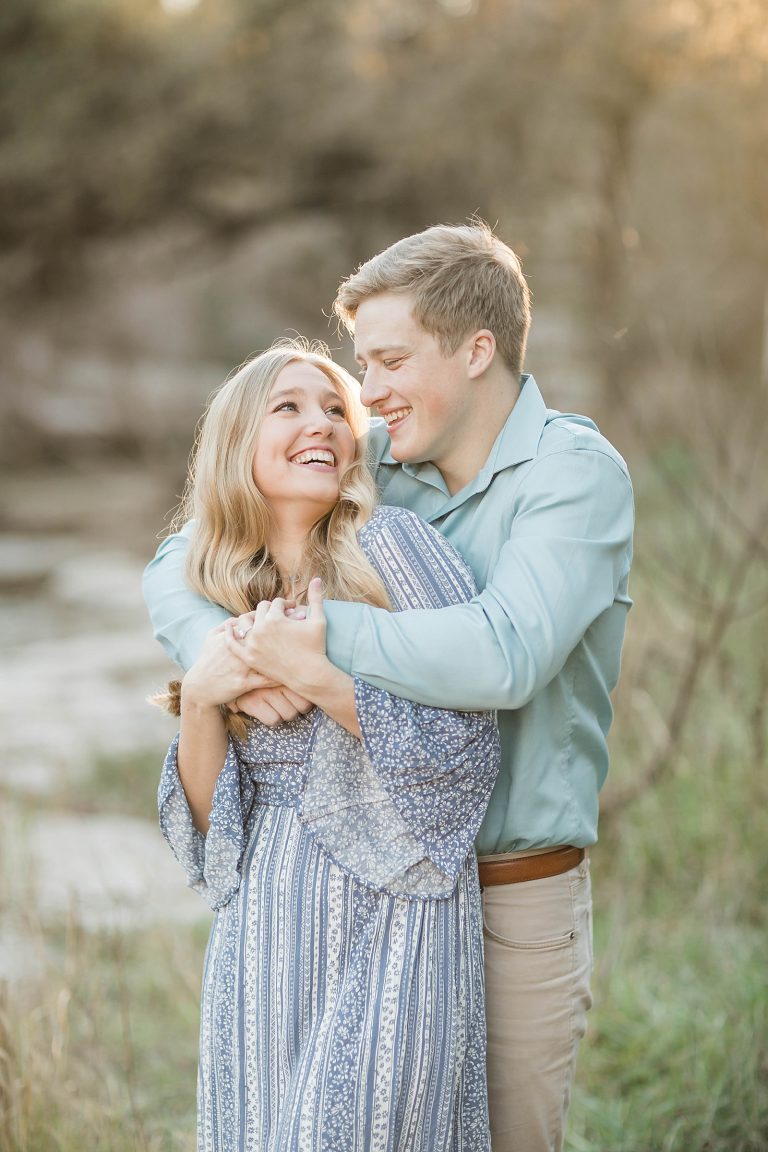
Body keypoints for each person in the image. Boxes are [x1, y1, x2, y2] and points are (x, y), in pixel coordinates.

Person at [144, 222, 635, 1152]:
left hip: (509, 888)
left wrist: (309, 643)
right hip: (351, 896)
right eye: (360, 364)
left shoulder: (573, 476)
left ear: (476, 348)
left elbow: (505, 655)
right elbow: (189, 552)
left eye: (389, 360)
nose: (363, 395)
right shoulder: (385, 467)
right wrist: (229, 658)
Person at [152, 340, 500, 1152]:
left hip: (399, 920)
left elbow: (465, 759)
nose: (325, 425)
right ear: (237, 440)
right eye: (289, 407)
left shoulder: (399, 549)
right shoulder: (220, 588)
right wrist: (203, 697)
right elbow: (210, 832)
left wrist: (310, 676)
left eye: (337, 409)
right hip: (264, 933)